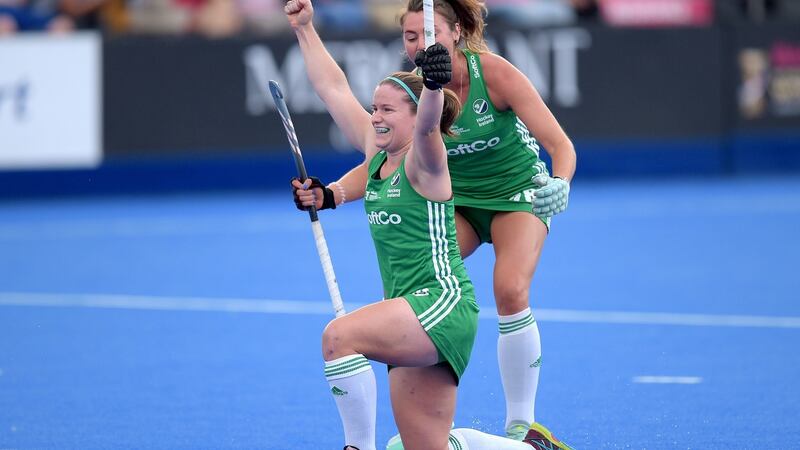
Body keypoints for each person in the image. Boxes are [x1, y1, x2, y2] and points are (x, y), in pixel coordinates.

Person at [291, 0, 577, 448]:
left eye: (428, 34)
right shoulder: (394, 125)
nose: (419, 44)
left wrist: (560, 180)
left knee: (509, 288)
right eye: (409, 36)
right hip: (457, 200)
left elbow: (557, 143)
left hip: (516, 192)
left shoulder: (473, 89)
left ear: (457, 33)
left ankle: (522, 423)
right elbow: (336, 92)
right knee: (414, 442)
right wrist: (306, 29)